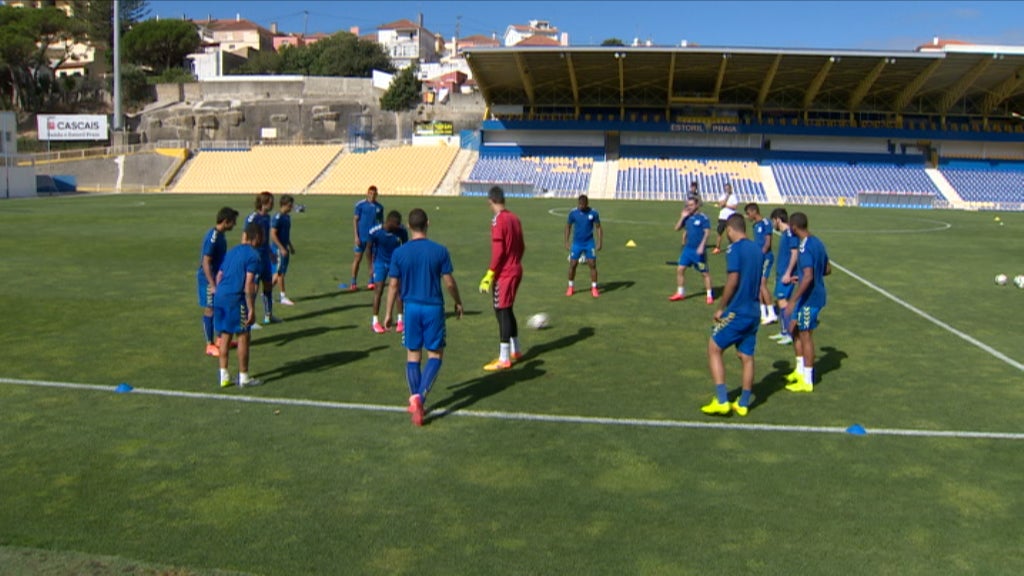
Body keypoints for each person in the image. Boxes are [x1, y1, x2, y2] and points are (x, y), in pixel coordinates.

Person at [384, 208, 464, 426]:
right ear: (427, 223)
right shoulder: (439, 251)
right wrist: (457, 301)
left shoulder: (400, 253)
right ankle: (419, 397)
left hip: (410, 309)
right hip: (433, 308)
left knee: (413, 356)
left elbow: (393, 285)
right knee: (435, 355)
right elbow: (448, 281)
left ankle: (414, 400)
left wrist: (389, 313)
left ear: (409, 227)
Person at [701, 214, 763, 416]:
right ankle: (743, 403)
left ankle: (721, 400)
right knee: (746, 356)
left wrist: (721, 306)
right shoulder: (757, 249)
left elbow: (733, 279)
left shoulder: (735, 249)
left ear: (730, 229)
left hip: (738, 310)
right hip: (754, 311)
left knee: (714, 347)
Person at [479, 186, 525, 371]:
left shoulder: (498, 220)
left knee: (502, 311)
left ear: (491, 200)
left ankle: (504, 358)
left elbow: (498, 251)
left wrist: (490, 274)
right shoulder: (515, 218)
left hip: (505, 273)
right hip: (516, 268)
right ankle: (516, 349)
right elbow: (521, 245)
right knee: (508, 309)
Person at [784, 212, 831, 393]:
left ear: (794, 227)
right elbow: (827, 269)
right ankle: (799, 370)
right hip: (811, 294)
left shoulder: (804, 248)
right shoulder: (817, 242)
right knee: (794, 330)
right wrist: (803, 276)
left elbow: (810, 276)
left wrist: (793, 300)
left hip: (810, 298)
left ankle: (807, 380)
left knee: (805, 335)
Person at [213, 221, 264, 389]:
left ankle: (224, 376)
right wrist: (251, 309)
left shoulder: (232, 251)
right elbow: (249, 284)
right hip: (236, 298)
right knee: (243, 336)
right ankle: (244, 377)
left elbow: (219, 275)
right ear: (256, 237)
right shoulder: (253, 256)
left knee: (225, 335)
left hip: (220, 296)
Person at [198, 207, 238, 357]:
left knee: (221, 307)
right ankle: (209, 345)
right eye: (233, 222)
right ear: (226, 221)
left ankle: (221, 339)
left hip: (218, 278)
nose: (234, 225)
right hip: (208, 278)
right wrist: (212, 284)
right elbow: (205, 262)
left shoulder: (221, 235)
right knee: (210, 309)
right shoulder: (213, 237)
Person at [369, 210, 409, 333]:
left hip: (395, 263)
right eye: (396, 224)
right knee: (378, 290)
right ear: (389, 222)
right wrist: (371, 266)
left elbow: (405, 248)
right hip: (380, 263)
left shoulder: (401, 231)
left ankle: (400, 320)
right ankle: (375, 321)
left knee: (398, 291)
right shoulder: (375, 231)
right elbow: (368, 249)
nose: (398, 226)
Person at [669, 196, 714, 304]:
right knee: (680, 269)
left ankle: (709, 295)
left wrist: (702, 245)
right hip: (688, 250)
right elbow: (676, 228)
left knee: (705, 274)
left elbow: (707, 233)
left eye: (691, 205)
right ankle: (680, 293)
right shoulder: (686, 217)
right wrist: (682, 217)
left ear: (697, 205)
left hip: (698, 251)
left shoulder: (703, 218)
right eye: (687, 205)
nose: (688, 207)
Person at [245, 191, 278, 328]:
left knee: (268, 285)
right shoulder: (252, 218)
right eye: (270, 202)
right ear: (263, 202)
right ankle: (250, 318)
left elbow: (265, 238)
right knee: (254, 287)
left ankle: (268, 315)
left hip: (265, 257)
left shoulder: (267, 217)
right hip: (255, 257)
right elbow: (245, 239)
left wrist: (270, 252)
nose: (272, 204)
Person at [344, 185, 384, 291]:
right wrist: (356, 236)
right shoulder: (360, 205)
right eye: (370, 193)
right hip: (361, 237)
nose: (372, 195)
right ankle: (353, 282)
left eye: (374, 194)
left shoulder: (379, 207)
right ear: (367, 193)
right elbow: (355, 220)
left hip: (373, 238)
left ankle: (371, 281)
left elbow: (381, 224)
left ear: (377, 194)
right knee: (357, 258)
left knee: (371, 260)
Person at [769, 208, 800, 345]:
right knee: (781, 301)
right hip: (781, 273)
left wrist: (788, 273)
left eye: (773, 221)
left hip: (786, 275)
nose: (772, 224)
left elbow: (795, 253)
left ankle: (790, 333)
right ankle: (783, 331)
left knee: (783, 302)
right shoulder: (784, 234)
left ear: (777, 219)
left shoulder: (790, 234)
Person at [564, 194, 603, 298]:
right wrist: (566, 241)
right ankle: (570, 287)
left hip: (589, 243)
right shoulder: (573, 213)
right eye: (579, 204)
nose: (581, 206)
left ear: (587, 204)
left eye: (583, 204)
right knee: (572, 264)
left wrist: (600, 242)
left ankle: (594, 288)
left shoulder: (593, 213)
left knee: (592, 264)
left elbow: (598, 227)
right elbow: (568, 226)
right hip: (577, 243)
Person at [745, 202, 777, 325]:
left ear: (754, 212)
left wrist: (760, 255)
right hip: (758, 257)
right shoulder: (755, 225)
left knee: (763, 284)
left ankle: (772, 313)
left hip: (766, 257)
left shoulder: (765, 223)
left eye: (748, 213)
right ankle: (763, 313)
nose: (747, 216)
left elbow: (767, 243)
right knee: (758, 285)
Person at [270, 194, 296, 307]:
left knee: (278, 273)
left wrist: (290, 245)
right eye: (290, 205)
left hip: (284, 248)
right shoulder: (277, 217)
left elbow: (285, 234)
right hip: (277, 250)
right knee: (280, 273)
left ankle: (266, 293)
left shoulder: (287, 217)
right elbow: (273, 234)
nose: (291, 208)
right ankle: (282, 296)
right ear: (284, 205)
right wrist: (281, 248)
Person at [712, 182, 738, 254]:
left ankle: (732, 246)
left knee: (730, 232)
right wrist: (726, 199)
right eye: (726, 188)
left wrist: (726, 205)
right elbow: (721, 204)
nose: (727, 190)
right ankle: (717, 247)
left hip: (731, 216)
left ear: (730, 188)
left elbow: (734, 207)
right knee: (719, 232)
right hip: (722, 217)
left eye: (728, 188)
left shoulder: (734, 197)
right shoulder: (723, 196)